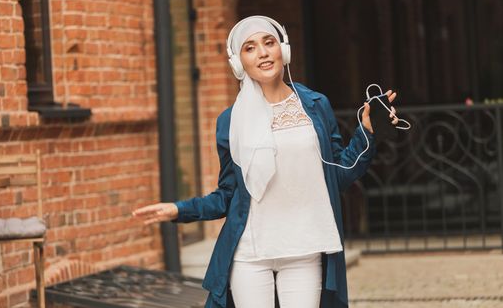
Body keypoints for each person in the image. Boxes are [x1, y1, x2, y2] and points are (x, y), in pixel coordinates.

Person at [133, 15, 399, 308]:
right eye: (250, 47)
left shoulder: (315, 105)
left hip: (303, 246)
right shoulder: (230, 121)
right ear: (239, 62)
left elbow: (338, 175)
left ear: (282, 50)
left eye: (269, 43)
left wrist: (367, 134)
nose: (262, 52)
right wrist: (178, 209)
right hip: (249, 253)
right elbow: (227, 196)